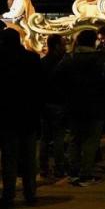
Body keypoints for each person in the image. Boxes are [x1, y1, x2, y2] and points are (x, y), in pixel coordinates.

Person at [0, 28, 43, 208]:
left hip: (7, 117)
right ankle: (30, 193)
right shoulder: (32, 59)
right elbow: (39, 88)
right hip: (29, 115)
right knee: (29, 158)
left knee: (9, 158)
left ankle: (8, 195)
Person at [53, 29, 105, 186]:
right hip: (95, 105)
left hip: (74, 105)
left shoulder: (70, 59)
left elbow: (56, 78)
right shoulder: (100, 59)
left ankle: (73, 171)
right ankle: (86, 173)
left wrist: (66, 94)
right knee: (91, 140)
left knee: (75, 139)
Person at [40, 34, 68, 179]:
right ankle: (59, 168)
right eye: (63, 44)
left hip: (45, 103)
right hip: (58, 103)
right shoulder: (63, 63)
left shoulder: (42, 62)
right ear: (57, 46)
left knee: (45, 137)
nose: (65, 47)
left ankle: (43, 168)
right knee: (58, 137)